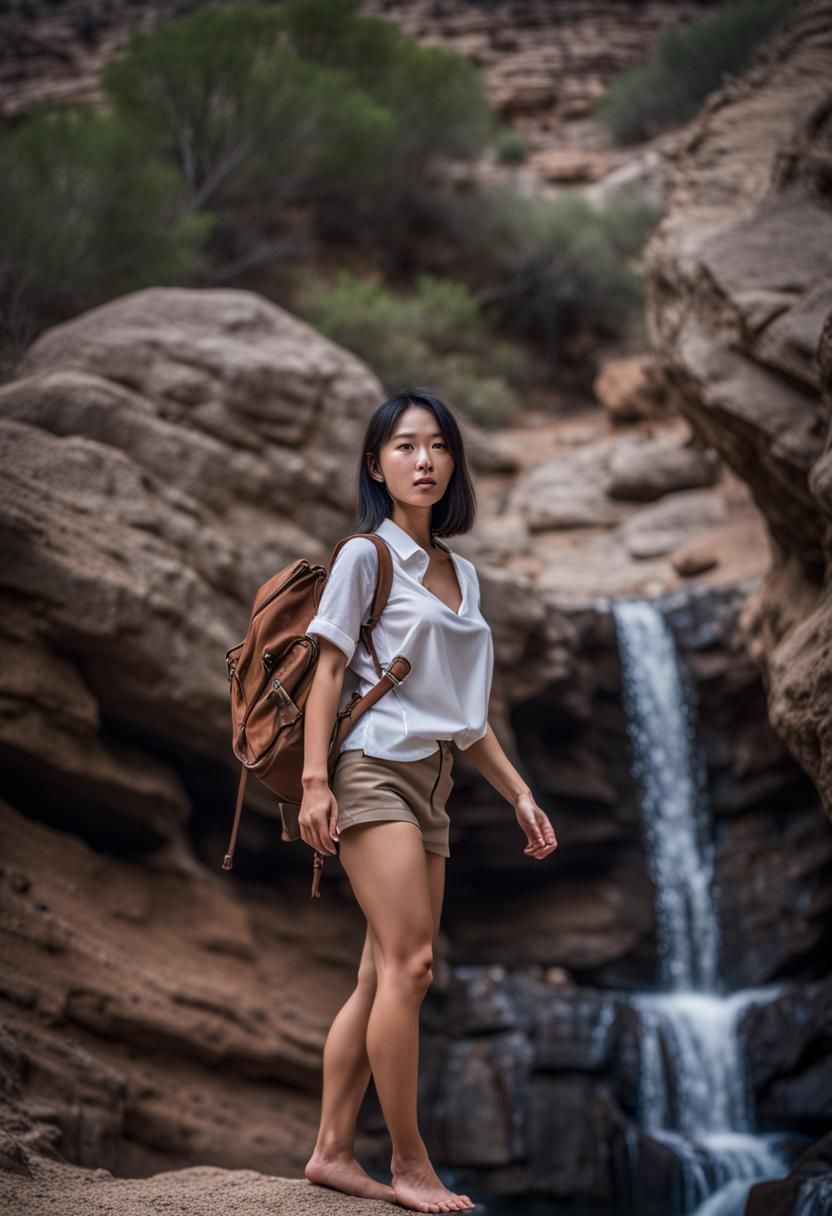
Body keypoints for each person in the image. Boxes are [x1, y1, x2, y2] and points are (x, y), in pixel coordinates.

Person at [300, 390, 559, 1213]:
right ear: (377, 465)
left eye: (438, 446)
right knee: (412, 968)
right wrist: (314, 781)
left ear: (454, 463)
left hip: (436, 781)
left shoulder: (463, 574)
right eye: (405, 446)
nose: (424, 460)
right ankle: (410, 1165)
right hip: (371, 769)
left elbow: (464, 715)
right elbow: (329, 672)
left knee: (381, 972)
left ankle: (333, 1153)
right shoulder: (364, 558)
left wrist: (519, 793)